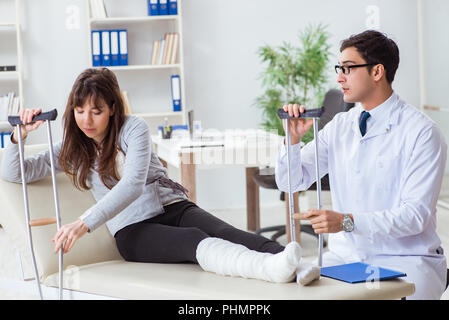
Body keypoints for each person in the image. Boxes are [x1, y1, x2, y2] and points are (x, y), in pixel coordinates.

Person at [1, 68, 319, 285]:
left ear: (112, 108)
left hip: (173, 208)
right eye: (80, 110)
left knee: (229, 231)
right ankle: (271, 270)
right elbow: (14, 172)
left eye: (96, 111)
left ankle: (299, 265)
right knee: (195, 240)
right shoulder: (72, 147)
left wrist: (84, 222)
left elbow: (133, 183)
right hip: (132, 231)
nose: (87, 119)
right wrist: (19, 136)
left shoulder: (133, 128)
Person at [276, 30, 447, 299]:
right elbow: (290, 182)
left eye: (348, 68)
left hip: (405, 261)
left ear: (377, 71)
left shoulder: (422, 132)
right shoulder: (341, 126)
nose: (339, 77)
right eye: (339, 68)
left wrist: (346, 221)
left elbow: (415, 216)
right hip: (346, 258)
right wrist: (293, 141)